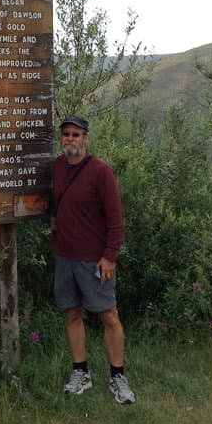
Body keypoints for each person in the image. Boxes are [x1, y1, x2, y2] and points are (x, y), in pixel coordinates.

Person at [49, 115, 136, 404]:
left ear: (86, 138)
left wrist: (109, 257)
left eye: (76, 134)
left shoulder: (101, 172)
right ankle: (80, 372)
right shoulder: (58, 168)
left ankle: (118, 376)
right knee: (72, 314)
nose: (70, 139)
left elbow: (116, 219)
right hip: (65, 256)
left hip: (94, 261)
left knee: (109, 316)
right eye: (66, 134)